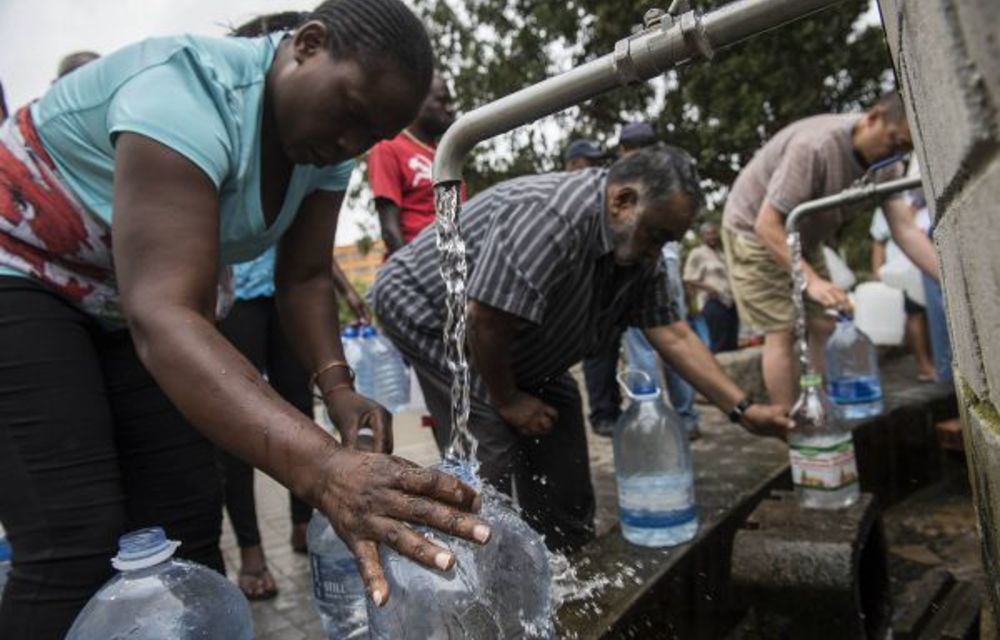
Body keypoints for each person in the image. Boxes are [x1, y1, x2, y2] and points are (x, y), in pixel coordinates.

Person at [0, 3, 490, 638]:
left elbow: (306, 274)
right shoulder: (184, 92)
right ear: (308, 45)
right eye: (348, 114)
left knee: (183, 529)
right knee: (76, 539)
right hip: (23, 273)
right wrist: (326, 470)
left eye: (371, 135)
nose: (349, 144)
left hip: (124, 298)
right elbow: (166, 314)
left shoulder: (328, 146)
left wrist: (338, 389)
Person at [370, 146, 793, 552]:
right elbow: (485, 319)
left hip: (514, 337)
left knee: (560, 437)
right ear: (622, 201)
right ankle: (479, 574)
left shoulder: (639, 251)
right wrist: (510, 399)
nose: (656, 251)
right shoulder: (552, 216)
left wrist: (744, 410)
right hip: (429, 309)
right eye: (656, 235)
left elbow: (673, 334)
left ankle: (566, 553)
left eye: (668, 240)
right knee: (491, 447)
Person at [721, 93, 939, 407]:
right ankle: (791, 429)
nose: (896, 152)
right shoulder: (816, 147)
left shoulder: (887, 165)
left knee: (825, 322)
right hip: (754, 232)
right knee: (782, 329)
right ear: (873, 117)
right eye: (894, 140)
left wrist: (949, 282)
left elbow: (905, 230)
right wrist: (812, 281)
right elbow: (766, 224)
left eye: (905, 148)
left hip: (802, 238)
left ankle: (823, 409)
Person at [369, 70, 457, 257]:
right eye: (442, 101)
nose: (450, 109)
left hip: (454, 266)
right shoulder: (388, 148)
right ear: (417, 102)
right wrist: (414, 277)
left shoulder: (449, 155)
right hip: (417, 268)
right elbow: (390, 231)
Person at [870, 204, 935, 381]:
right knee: (914, 313)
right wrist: (877, 273)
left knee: (934, 314)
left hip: (928, 264)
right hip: (902, 269)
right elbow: (878, 241)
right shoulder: (889, 201)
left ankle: (937, 360)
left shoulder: (924, 201)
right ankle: (924, 365)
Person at [684, 222, 739, 353]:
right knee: (719, 341)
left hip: (730, 301)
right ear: (703, 236)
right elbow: (688, 278)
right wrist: (709, 288)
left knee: (732, 341)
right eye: (708, 234)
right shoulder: (697, 254)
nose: (712, 236)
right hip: (713, 301)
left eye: (714, 233)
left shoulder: (721, 253)